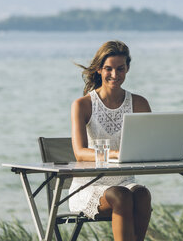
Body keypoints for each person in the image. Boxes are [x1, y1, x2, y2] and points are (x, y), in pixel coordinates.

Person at [69, 40, 152, 241]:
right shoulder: (83, 105)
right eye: (108, 69)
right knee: (121, 195)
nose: (114, 75)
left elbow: (149, 146)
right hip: (88, 186)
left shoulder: (139, 103)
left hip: (124, 182)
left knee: (142, 195)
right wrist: (116, 154)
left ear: (127, 69)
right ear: (99, 69)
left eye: (120, 69)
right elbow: (80, 152)